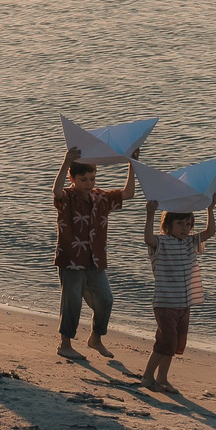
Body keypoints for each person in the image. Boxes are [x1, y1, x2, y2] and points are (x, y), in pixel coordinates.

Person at [53, 150, 136, 361]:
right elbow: (56, 190)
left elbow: (128, 193)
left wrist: (132, 164)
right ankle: (65, 344)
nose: (89, 183)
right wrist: (66, 162)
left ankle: (95, 338)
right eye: (83, 180)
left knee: (106, 300)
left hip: (95, 259)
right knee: (71, 301)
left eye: (92, 179)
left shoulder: (101, 197)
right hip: (71, 257)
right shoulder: (68, 197)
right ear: (72, 179)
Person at [138, 199, 216, 392]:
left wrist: (210, 208)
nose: (185, 228)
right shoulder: (161, 242)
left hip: (185, 302)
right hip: (165, 302)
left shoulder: (191, 242)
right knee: (166, 340)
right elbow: (148, 238)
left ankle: (162, 378)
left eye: (189, 224)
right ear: (168, 225)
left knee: (175, 342)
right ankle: (147, 377)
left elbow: (210, 232)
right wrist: (150, 215)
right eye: (180, 224)